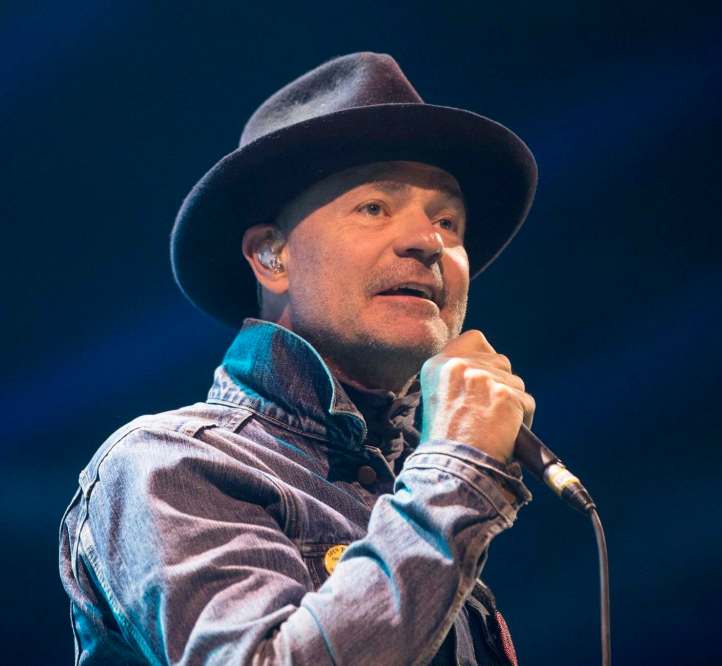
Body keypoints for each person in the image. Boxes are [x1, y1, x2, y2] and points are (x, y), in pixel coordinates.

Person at [58, 51, 540, 665]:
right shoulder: (172, 462)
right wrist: (459, 472)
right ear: (271, 257)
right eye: (375, 207)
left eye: (448, 220)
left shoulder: (413, 489)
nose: (429, 241)